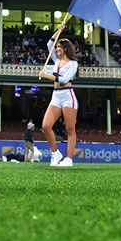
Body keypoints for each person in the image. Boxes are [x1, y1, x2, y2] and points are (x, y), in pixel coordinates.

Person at [38, 24, 78, 167]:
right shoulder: (56, 60)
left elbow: (64, 80)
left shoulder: (73, 64)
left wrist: (45, 75)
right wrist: (59, 31)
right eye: (57, 47)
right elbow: (50, 43)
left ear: (65, 49)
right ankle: (55, 153)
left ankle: (68, 159)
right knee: (46, 125)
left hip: (68, 95)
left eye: (59, 47)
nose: (56, 49)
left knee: (70, 129)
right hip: (56, 95)